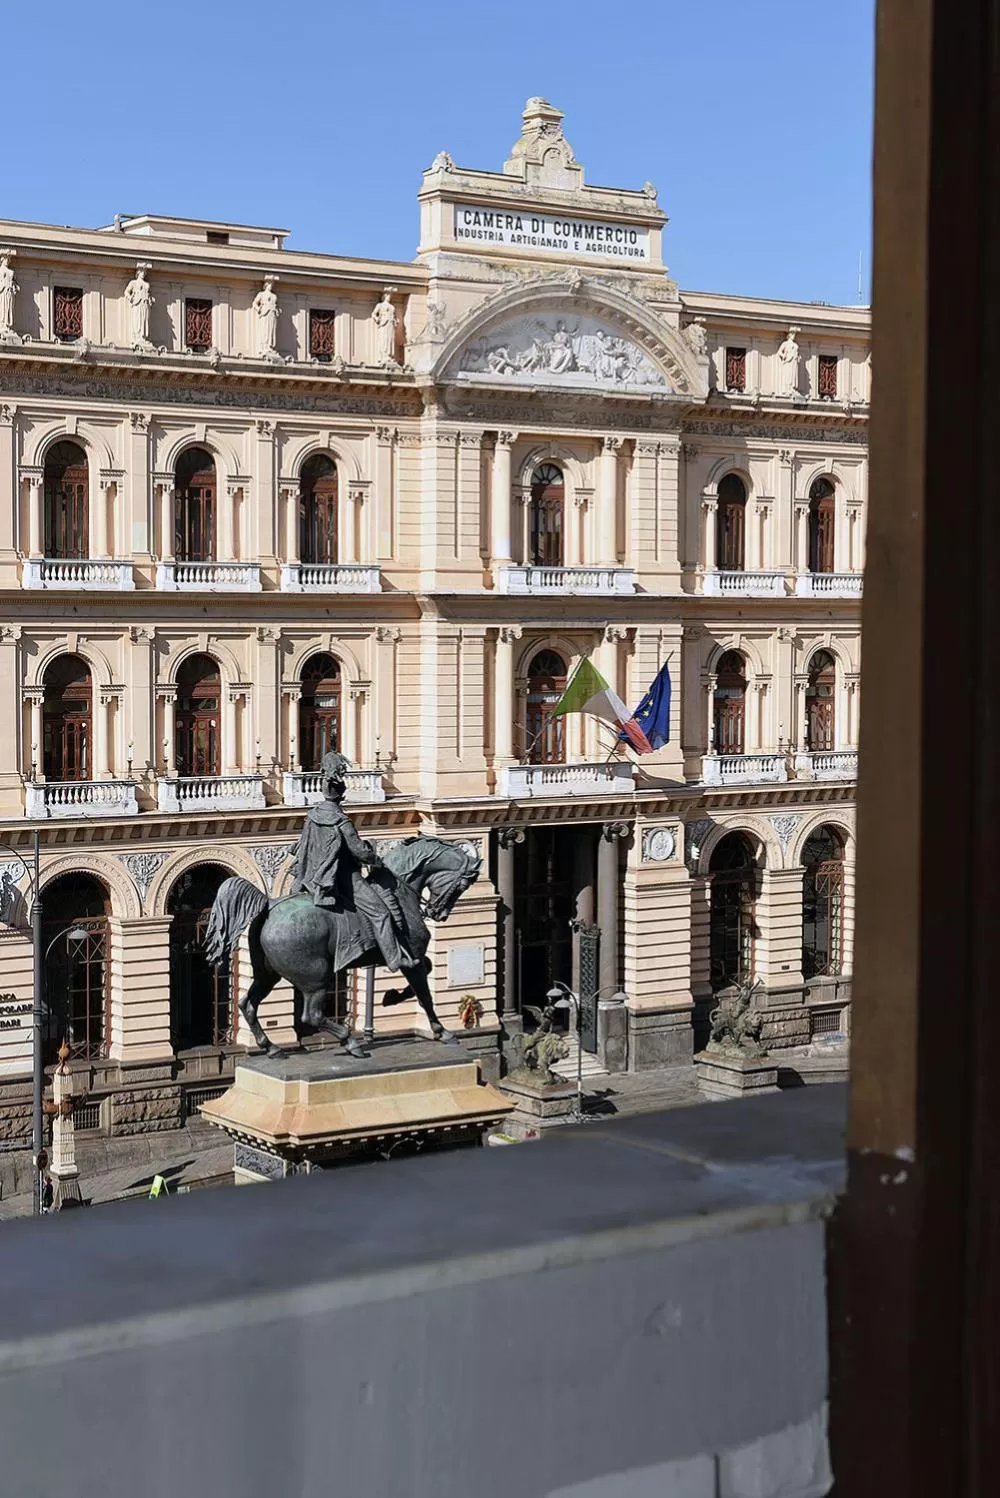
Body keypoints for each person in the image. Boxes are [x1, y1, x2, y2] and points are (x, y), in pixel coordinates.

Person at [290, 750, 414, 970]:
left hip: (311, 876)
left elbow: (303, 846)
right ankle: (395, 959)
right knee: (381, 914)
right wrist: (375, 858)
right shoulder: (341, 821)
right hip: (344, 877)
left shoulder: (313, 815)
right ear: (341, 795)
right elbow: (360, 852)